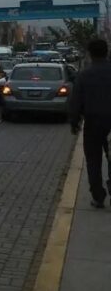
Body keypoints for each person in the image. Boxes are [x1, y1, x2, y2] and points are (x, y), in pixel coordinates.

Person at [69, 38, 111, 208]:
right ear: (107, 52)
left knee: (93, 160)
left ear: (90, 54)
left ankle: (98, 196)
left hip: (93, 123)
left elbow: (76, 101)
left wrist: (74, 122)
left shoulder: (84, 75)